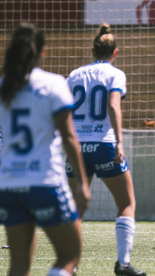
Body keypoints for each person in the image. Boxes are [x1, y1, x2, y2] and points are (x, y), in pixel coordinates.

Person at [0, 23, 90, 276]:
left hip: (8, 184)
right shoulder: (53, 84)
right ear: (42, 52)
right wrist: (82, 184)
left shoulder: (3, 86)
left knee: (18, 266)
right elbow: (69, 135)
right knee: (69, 255)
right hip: (43, 181)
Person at [65, 23, 146, 276]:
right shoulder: (115, 74)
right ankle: (122, 264)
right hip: (104, 144)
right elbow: (113, 105)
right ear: (115, 52)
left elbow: (65, 111)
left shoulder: (74, 74)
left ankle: (71, 265)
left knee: (75, 209)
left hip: (77, 146)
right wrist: (120, 142)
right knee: (126, 203)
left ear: (92, 50)